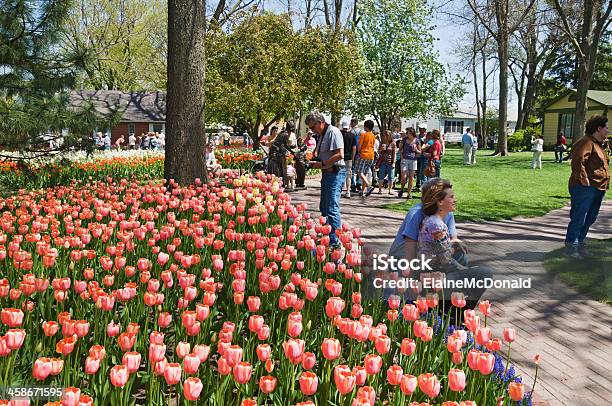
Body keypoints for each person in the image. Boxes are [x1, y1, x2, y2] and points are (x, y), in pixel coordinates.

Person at [389, 178, 491, 308]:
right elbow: (410, 256)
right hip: (403, 261)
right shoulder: (417, 214)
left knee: (461, 256)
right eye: (451, 197)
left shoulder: (445, 213)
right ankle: (440, 301)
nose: (455, 200)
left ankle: (449, 300)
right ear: (439, 201)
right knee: (480, 274)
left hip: (431, 259)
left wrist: (456, 244)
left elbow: (452, 240)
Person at [564, 115, 610, 259]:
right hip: (584, 188)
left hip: (598, 188)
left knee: (590, 218)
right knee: (579, 218)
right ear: (599, 128)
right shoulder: (586, 142)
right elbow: (578, 161)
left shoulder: (598, 144)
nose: (608, 131)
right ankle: (571, 248)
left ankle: (580, 245)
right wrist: (584, 180)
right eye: (606, 128)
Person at [305, 110, 346, 247]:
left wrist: (322, 163)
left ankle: (335, 241)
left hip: (336, 173)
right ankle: (327, 236)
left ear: (320, 122)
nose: (312, 130)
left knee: (332, 207)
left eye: (313, 127)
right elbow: (323, 154)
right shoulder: (322, 135)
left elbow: (339, 154)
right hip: (327, 174)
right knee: (324, 206)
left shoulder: (333, 132)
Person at [355, 120, 376, 197]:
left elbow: (359, 146)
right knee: (365, 173)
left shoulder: (363, 134)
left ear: (365, 126)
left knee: (359, 172)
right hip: (371, 156)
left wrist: (359, 151)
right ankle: (363, 191)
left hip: (363, 155)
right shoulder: (373, 135)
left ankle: (369, 186)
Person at [398, 128, 420, 199]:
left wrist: (416, 150)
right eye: (407, 133)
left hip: (413, 160)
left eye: (408, 133)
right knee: (403, 177)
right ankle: (401, 189)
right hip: (405, 159)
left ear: (412, 133)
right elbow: (400, 149)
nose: (407, 134)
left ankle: (409, 193)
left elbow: (420, 152)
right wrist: (402, 157)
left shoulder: (417, 141)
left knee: (411, 178)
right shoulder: (404, 140)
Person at [377, 130, 396, 195]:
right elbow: (378, 152)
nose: (385, 136)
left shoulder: (393, 143)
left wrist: (393, 163)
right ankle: (380, 189)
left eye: (386, 135)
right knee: (381, 175)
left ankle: (390, 190)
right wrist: (381, 149)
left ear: (390, 136)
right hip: (383, 161)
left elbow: (394, 153)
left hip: (390, 161)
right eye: (383, 135)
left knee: (391, 176)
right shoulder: (382, 142)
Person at [341, 120, 356, 198]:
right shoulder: (352, 135)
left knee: (339, 174)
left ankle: (339, 189)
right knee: (348, 175)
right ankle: (348, 191)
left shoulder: (339, 134)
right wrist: (353, 158)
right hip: (349, 157)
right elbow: (354, 148)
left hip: (340, 157)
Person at [350, 118, 364, 193]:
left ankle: (353, 184)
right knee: (359, 169)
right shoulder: (362, 132)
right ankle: (358, 183)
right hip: (361, 152)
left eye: (351, 123)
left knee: (352, 169)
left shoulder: (351, 132)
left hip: (353, 151)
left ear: (353, 123)